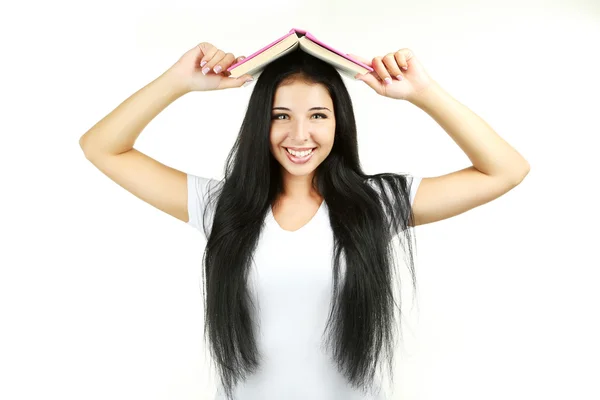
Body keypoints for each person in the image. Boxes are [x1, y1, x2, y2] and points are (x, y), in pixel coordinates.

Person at [79, 40, 530, 400]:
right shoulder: (222, 205)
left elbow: (506, 170)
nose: (299, 135)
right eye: (281, 116)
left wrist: (423, 92)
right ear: (261, 124)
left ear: (340, 123)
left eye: (317, 115)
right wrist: (178, 80)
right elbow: (102, 146)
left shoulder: (377, 203)